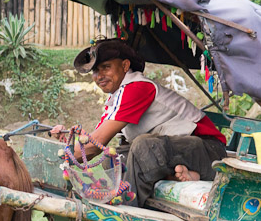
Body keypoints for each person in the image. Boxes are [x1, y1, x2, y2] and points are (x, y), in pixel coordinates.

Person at [50, 38, 227, 208]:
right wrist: (67, 142)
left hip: (208, 152)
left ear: (125, 66)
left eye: (106, 67)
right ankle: (177, 175)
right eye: (95, 71)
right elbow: (94, 144)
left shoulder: (136, 88)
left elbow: (95, 145)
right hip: (179, 153)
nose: (99, 76)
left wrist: (58, 156)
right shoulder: (115, 98)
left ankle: (127, 208)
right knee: (113, 159)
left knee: (143, 145)